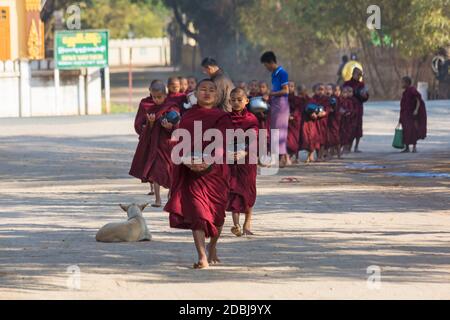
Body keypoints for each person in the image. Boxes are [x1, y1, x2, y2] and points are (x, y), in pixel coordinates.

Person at [164, 79, 234, 269]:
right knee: (198, 213)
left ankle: (212, 246)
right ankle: (202, 256)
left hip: (216, 173)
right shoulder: (187, 117)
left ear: (217, 95)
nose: (207, 93)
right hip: (192, 173)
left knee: (217, 216)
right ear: (196, 93)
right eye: (203, 89)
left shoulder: (222, 117)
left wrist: (208, 161)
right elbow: (179, 142)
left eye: (212, 90)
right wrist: (187, 160)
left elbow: (223, 142)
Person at [129, 80, 180, 207]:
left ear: (165, 95)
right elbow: (141, 125)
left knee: (170, 170)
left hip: (169, 144)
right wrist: (150, 123)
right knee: (155, 171)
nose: (156, 100)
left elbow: (178, 125)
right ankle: (158, 199)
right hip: (155, 144)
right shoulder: (150, 108)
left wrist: (169, 126)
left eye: (159, 97)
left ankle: (170, 194)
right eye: (154, 97)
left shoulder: (172, 106)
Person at [227, 88, 259, 237]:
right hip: (230, 160)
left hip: (247, 160)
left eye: (239, 100)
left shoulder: (251, 119)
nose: (236, 103)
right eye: (233, 100)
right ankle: (236, 225)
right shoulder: (225, 119)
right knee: (233, 190)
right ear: (229, 102)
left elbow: (255, 139)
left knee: (248, 191)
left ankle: (248, 222)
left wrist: (244, 152)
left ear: (246, 101)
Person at [260, 51, 290, 168]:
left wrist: (271, 93)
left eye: (266, 65)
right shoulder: (273, 74)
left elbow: (286, 90)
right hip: (275, 103)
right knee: (273, 130)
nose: (266, 68)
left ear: (271, 62)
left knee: (279, 131)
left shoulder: (282, 73)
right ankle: (278, 158)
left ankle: (278, 158)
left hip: (281, 104)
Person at [398, 76, 427, 153]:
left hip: (411, 114)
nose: (401, 84)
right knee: (405, 130)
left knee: (412, 130)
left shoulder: (412, 90)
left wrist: (416, 110)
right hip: (405, 114)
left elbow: (418, 99)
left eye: (402, 82)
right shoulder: (405, 92)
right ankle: (407, 147)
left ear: (407, 83)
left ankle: (414, 147)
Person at [344, 68, 369, 153]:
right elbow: (343, 94)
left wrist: (364, 95)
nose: (359, 76)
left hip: (358, 107)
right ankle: (347, 146)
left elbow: (366, 97)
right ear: (353, 73)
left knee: (358, 127)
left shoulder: (362, 84)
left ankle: (356, 147)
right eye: (358, 74)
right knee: (348, 127)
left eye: (360, 75)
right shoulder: (347, 83)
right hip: (348, 107)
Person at [287, 81, 302, 164]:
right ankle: (286, 157)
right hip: (284, 121)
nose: (289, 88)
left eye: (291, 86)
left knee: (294, 140)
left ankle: (294, 156)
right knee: (285, 139)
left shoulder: (297, 99)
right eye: (288, 86)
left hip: (294, 121)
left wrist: (293, 115)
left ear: (294, 88)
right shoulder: (282, 98)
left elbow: (299, 109)